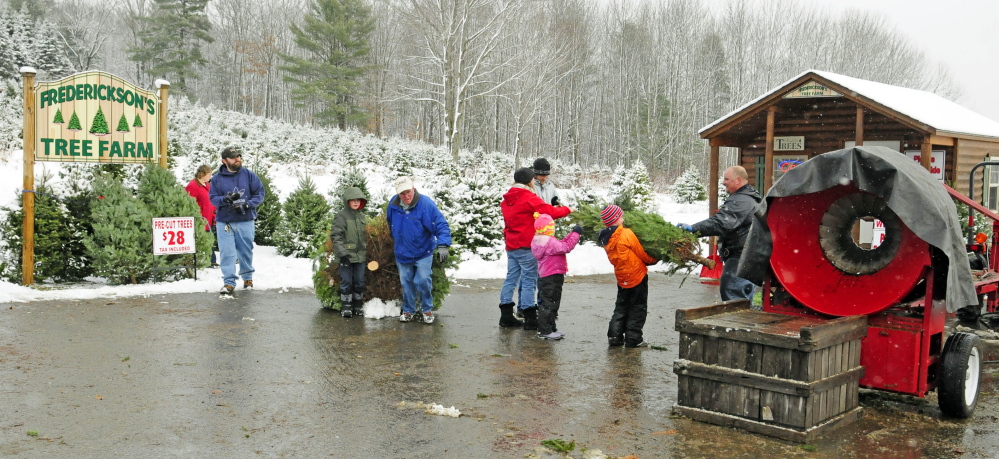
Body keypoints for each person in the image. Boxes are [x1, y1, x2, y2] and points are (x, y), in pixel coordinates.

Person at [500, 167, 573, 330]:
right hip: (526, 244)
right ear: (529, 180)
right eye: (532, 178)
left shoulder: (506, 200)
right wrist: (567, 210)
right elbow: (548, 211)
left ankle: (505, 315)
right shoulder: (528, 197)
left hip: (511, 244)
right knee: (529, 281)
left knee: (511, 279)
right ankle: (530, 317)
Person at [676, 166, 762, 301]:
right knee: (743, 299)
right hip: (747, 256)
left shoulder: (741, 200)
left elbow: (722, 222)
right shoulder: (748, 198)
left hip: (740, 257)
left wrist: (694, 229)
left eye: (727, 179)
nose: (723, 182)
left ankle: (736, 322)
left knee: (733, 298)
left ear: (738, 180)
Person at [386, 176, 452, 324]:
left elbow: (440, 224)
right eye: (402, 193)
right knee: (406, 282)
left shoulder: (425, 204)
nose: (406, 196)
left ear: (413, 188)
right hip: (402, 252)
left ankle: (426, 309)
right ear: (398, 194)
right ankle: (408, 310)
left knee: (422, 280)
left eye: (408, 192)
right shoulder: (393, 204)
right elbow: (390, 223)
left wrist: (443, 245)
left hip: (423, 252)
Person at [598, 204, 657, 348]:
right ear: (616, 219)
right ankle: (634, 339)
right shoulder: (626, 234)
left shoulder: (605, 238)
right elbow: (641, 252)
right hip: (637, 275)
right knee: (637, 308)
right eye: (621, 216)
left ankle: (614, 337)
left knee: (621, 307)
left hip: (622, 276)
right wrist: (653, 260)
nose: (623, 218)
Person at [209, 147, 265, 296]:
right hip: (224, 222)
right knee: (226, 252)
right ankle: (229, 282)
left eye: (239, 156)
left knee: (245, 250)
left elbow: (260, 193)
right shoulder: (216, 179)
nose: (237, 159)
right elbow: (213, 198)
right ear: (224, 161)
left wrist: (248, 204)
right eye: (233, 157)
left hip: (245, 220)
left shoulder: (249, 175)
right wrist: (225, 199)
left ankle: (247, 277)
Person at [531, 213, 583, 340]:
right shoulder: (549, 242)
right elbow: (566, 247)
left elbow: (561, 243)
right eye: (551, 226)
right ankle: (545, 330)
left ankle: (550, 328)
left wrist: (572, 233)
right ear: (547, 228)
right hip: (552, 277)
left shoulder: (541, 240)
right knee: (549, 303)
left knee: (551, 302)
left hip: (548, 276)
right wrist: (576, 234)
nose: (553, 228)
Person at [330, 187, 368, 318]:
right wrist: (342, 254)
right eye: (353, 200)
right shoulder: (341, 216)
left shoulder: (362, 216)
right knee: (347, 281)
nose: (356, 202)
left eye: (358, 200)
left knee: (359, 281)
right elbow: (336, 236)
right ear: (347, 201)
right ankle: (346, 306)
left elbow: (365, 236)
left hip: (360, 257)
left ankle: (357, 305)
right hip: (346, 257)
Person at [185, 165, 218, 268]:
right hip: (200, 219)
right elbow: (189, 203)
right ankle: (206, 261)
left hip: (209, 218)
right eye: (209, 174)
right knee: (204, 240)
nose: (210, 176)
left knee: (210, 239)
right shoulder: (193, 185)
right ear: (203, 174)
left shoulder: (207, 185)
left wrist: (214, 214)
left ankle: (212, 261)